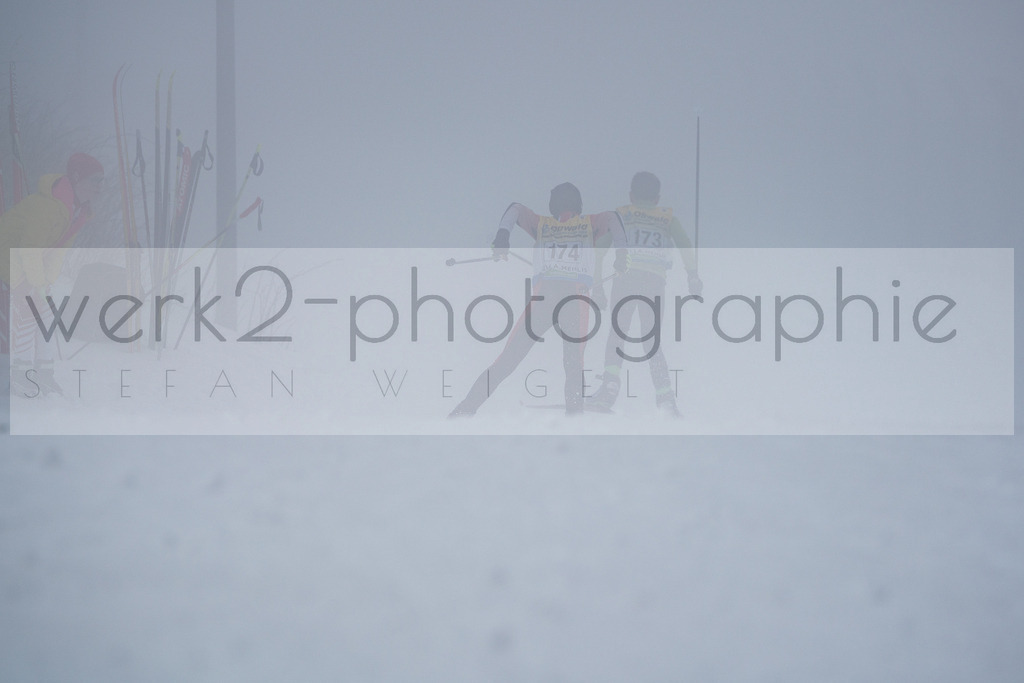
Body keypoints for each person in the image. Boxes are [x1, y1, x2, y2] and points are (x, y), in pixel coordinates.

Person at [450, 182, 628, 416]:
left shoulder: (543, 225)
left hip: (544, 298)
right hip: (575, 300)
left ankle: (464, 411)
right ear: (579, 205)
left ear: (553, 206)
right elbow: (614, 218)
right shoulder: (589, 225)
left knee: (506, 362)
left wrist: (502, 237)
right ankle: (574, 420)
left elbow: (514, 208)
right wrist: (622, 255)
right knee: (573, 364)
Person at [587, 171, 702, 416]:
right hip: (653, 284)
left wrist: (597, 286)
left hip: (625, 281)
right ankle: (666, 398)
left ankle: (608, 391)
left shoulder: (622, 216)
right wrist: (693, 275)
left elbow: (598, 250)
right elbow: (685, 245)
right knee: (652, 341)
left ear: (631, 195)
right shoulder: (667, 219)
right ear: (657, 198)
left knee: (617, 336)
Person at [1, 152, 104, 395]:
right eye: (95, 180)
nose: (100, 186)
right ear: (78, 179)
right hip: (8, 256)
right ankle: (21, 376)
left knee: (45, 312)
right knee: (28, 310)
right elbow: (29, 248)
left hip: (23, 261)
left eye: (102, 180)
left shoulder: (77, 211)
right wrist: (35, 284)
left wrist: (46, 283)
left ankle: (43, 374)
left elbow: (58, 251)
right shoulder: (49, 205)